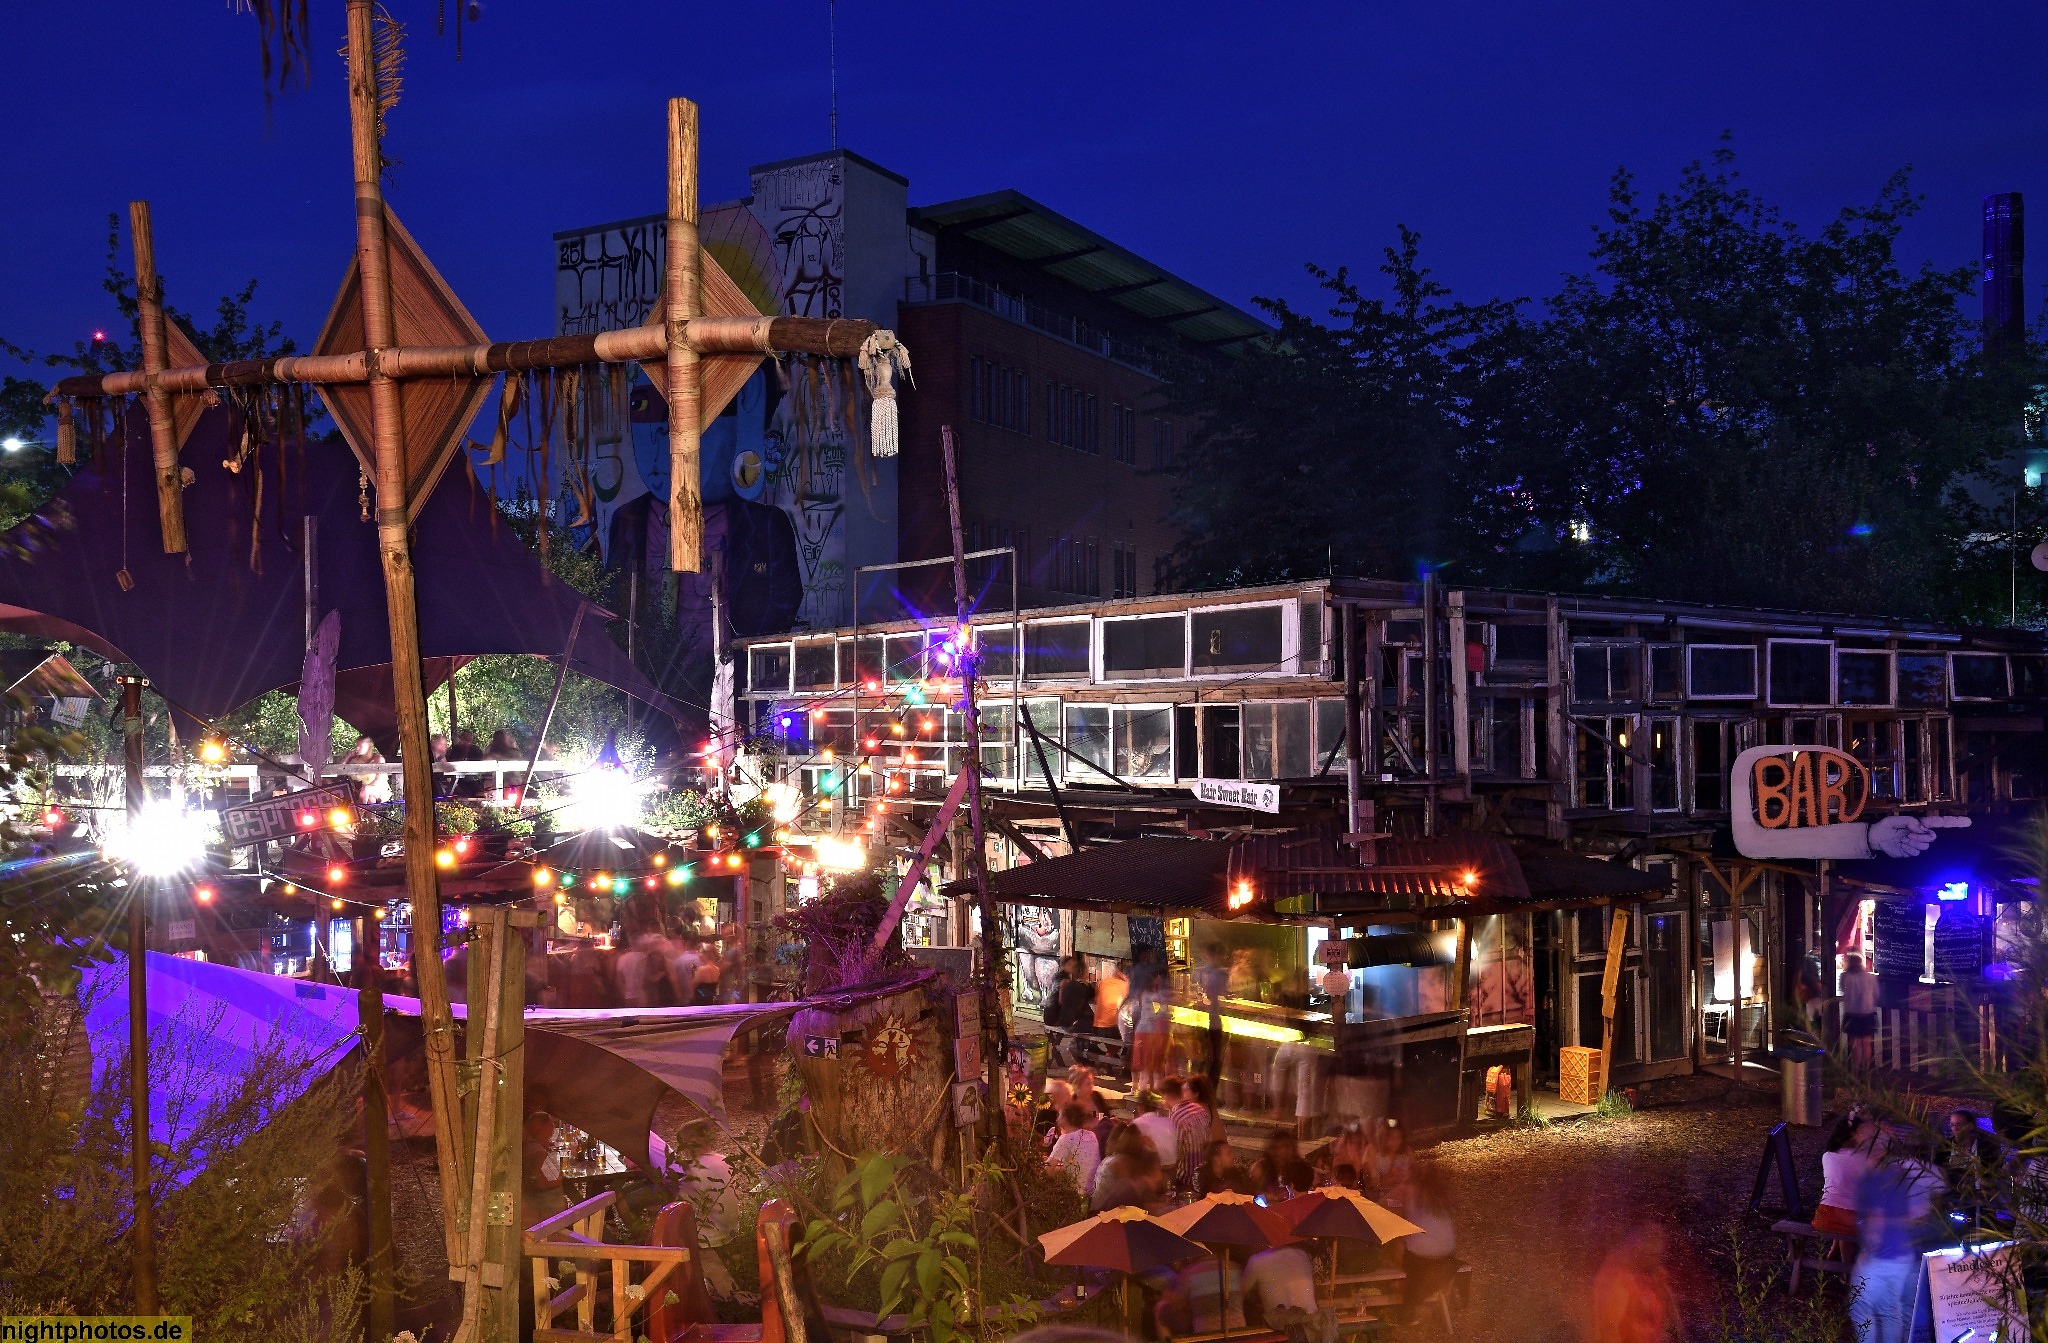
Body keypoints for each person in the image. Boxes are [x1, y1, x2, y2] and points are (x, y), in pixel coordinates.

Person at [1850, 1132, 1944, 1343]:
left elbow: (1877, 1218)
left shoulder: (1886, 1174)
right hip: (1910, 1251)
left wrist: (1869, 1249)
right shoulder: (1933, 1173)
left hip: (1884, 1251)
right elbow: (1933, 1212)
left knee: (1862, 1308)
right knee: (1895, 1308)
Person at [1589, 1224, 1678, 1343]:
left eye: (1659, 1255)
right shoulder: (1617, 1280)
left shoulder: (1657, 1279)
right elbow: (1609, 1330)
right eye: (1652, 1255)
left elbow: (1670, 1322)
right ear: (1637, 1250)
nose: (1658, 1260)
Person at [1401, 1160, 1460, 1318]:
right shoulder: (1444, 1195)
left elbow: (1386, 1207)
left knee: (1398, 1244)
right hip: (1447, 1255)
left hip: (1420, 1257)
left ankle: (1404, 1299)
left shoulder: (1410, 1191)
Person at [1812, 1110, 1877, 1240]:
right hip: (1853, 1222)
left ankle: (1834, 1252)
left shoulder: (1828, 1156)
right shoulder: (1866, 1160)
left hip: (1824, 1218)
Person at [1090, 1123, 1167, 1213]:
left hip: (1107, 1209)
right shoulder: (1119, 1162)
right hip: (1102, 1212)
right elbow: (1143, 1188)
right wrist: (1153, 1149)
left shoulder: (1115, 1158)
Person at [1242, 1240, 1319, 1328]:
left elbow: (1242, 1291)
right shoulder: (1302, 1255)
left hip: (1282, 1328)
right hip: (1312, 1324)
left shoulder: (1256, 1260)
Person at [1173, 1075, 1216, 1191]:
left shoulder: (1196, 1114)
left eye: (1185, 1090)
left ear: (1196, 1094)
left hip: (1191, 1176)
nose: (1181, 1093)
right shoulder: (1203, 1110)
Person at [1046, 1103, 1101, 1194]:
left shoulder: (1066, 1139)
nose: (1057, 1118)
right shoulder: (1091, 1135)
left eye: (1059, 1115)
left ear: (1065, 1119)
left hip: (1075, 1194)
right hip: (1093, 1192)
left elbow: (1047, 1169)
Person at [1197, 941, 1232, 1084]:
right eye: (1222, 954)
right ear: (1216, 955)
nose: (1224, 957)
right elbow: (1216, 992)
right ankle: (1209, 1089)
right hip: (1213, 1021)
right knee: (1215, 1059)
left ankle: (1200, 1088)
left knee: (1205, 1057)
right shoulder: (1220, 973)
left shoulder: (1201, 971)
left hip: (1201, 1020)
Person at [1365, 1119, 1413, 1211]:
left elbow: (1414, 1175)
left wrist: (1407, 1175)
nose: (1395, 1141)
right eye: (1391, 1138)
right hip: (1384, 1196)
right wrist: (1389, 1177)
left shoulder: (1406, 1154)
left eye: (1398, 1137)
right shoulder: (1378, 1157)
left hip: (1404, 1196)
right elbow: (1373, 1182)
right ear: (1384, 1138)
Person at [1252, 1129, 1316, 1199]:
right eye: (1276, 1147)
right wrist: (1272, 1197)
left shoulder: (1300, 1168)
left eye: (1286, 1146)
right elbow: (1251, 1193)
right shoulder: (1260, 1168)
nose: (1282, 1150)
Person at [1840, 953, 1878, 1068]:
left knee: (1855, 1044)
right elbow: (1876, 994)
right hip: (1867, 1013)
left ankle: (1856, 1070)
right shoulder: (1870, 977)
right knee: (1867, 1044)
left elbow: (1842, 990)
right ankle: (1866, 1070)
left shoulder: (1844, 976)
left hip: (1851, 1013)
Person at [1132, 1090, 1179, 1174]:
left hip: (1154, 1169)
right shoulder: (1168, 1121)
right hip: (1173, 1167)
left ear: (1141, 1106)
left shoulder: (1138, 1123)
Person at [448, 727, 487, 798]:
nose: (466, 741)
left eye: (468, 738)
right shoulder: (455, 749)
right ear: (460, 739)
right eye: (464, 738)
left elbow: (482, 763)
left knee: (481, 792)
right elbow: (449, 764)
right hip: (457, 780)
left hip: (473, 779)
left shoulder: (476, 749)